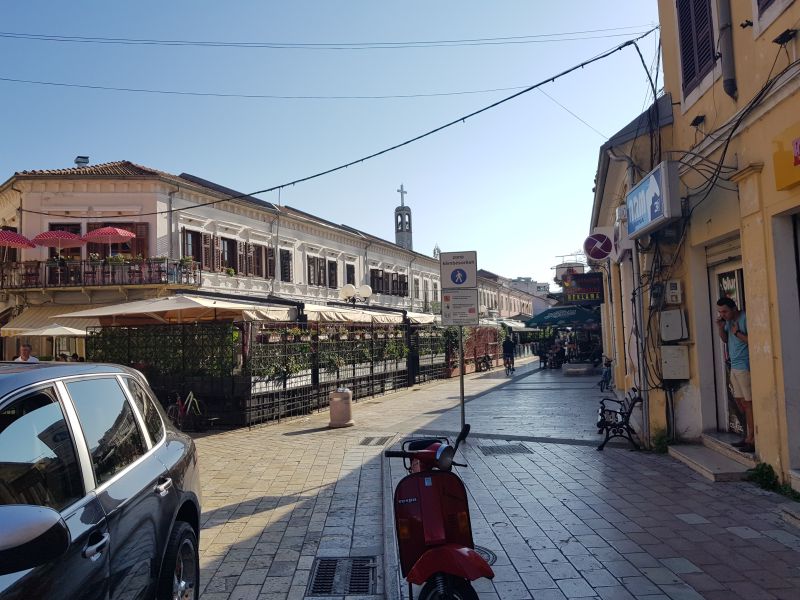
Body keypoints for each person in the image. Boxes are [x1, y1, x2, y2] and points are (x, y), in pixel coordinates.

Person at [716, 297, 753, 453]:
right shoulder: (728, 321)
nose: (722, 314)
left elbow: (752, 340)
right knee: (741, 403)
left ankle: (752, 439)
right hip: (734, 365)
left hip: (745, 366)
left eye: (724, 311)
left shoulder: (744, 318)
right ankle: (747, 436)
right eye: (720, 312)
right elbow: (725, 339)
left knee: (749, 404)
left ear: (734, 308)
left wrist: (737, 332)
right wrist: (720, 327)